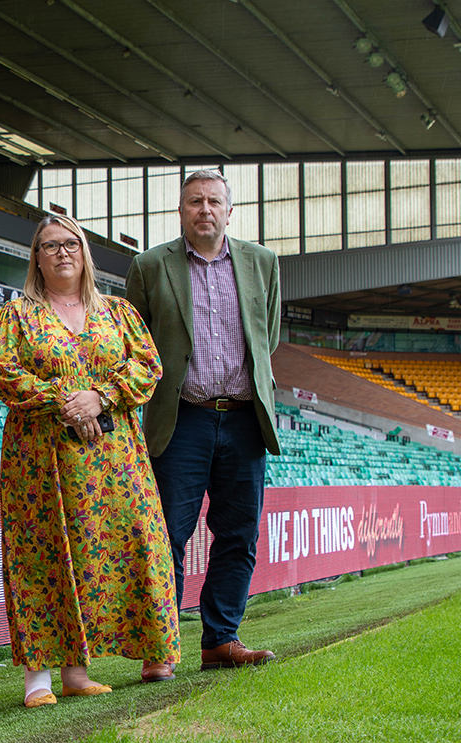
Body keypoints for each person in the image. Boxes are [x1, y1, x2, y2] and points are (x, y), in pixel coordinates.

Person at [0, 214, 179, 707]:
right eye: (50, 246)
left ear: (84, 253)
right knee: (44, 554)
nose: (62, 253)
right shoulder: (17, 316)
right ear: (36, 258)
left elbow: (148, 364)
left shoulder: (117, 312)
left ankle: (112, 663)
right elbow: (4, 373)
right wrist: (67, 402)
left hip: (115, 458)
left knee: (138, 541)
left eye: (71, 244)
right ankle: (39, 679)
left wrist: (102, 396)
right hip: (41, 458)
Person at [125, 169, 280, 670]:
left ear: (229, 211)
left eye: (214, 201)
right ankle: (162, 646)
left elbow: (267, 337)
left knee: (239, 535)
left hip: (243, 419)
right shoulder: (150, 266)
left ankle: (220, 639)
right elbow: (133, 343)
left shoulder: (263, 263)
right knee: (167, 533)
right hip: (181, 419)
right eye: (195, 202)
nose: (205, 210)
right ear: (180, 210)